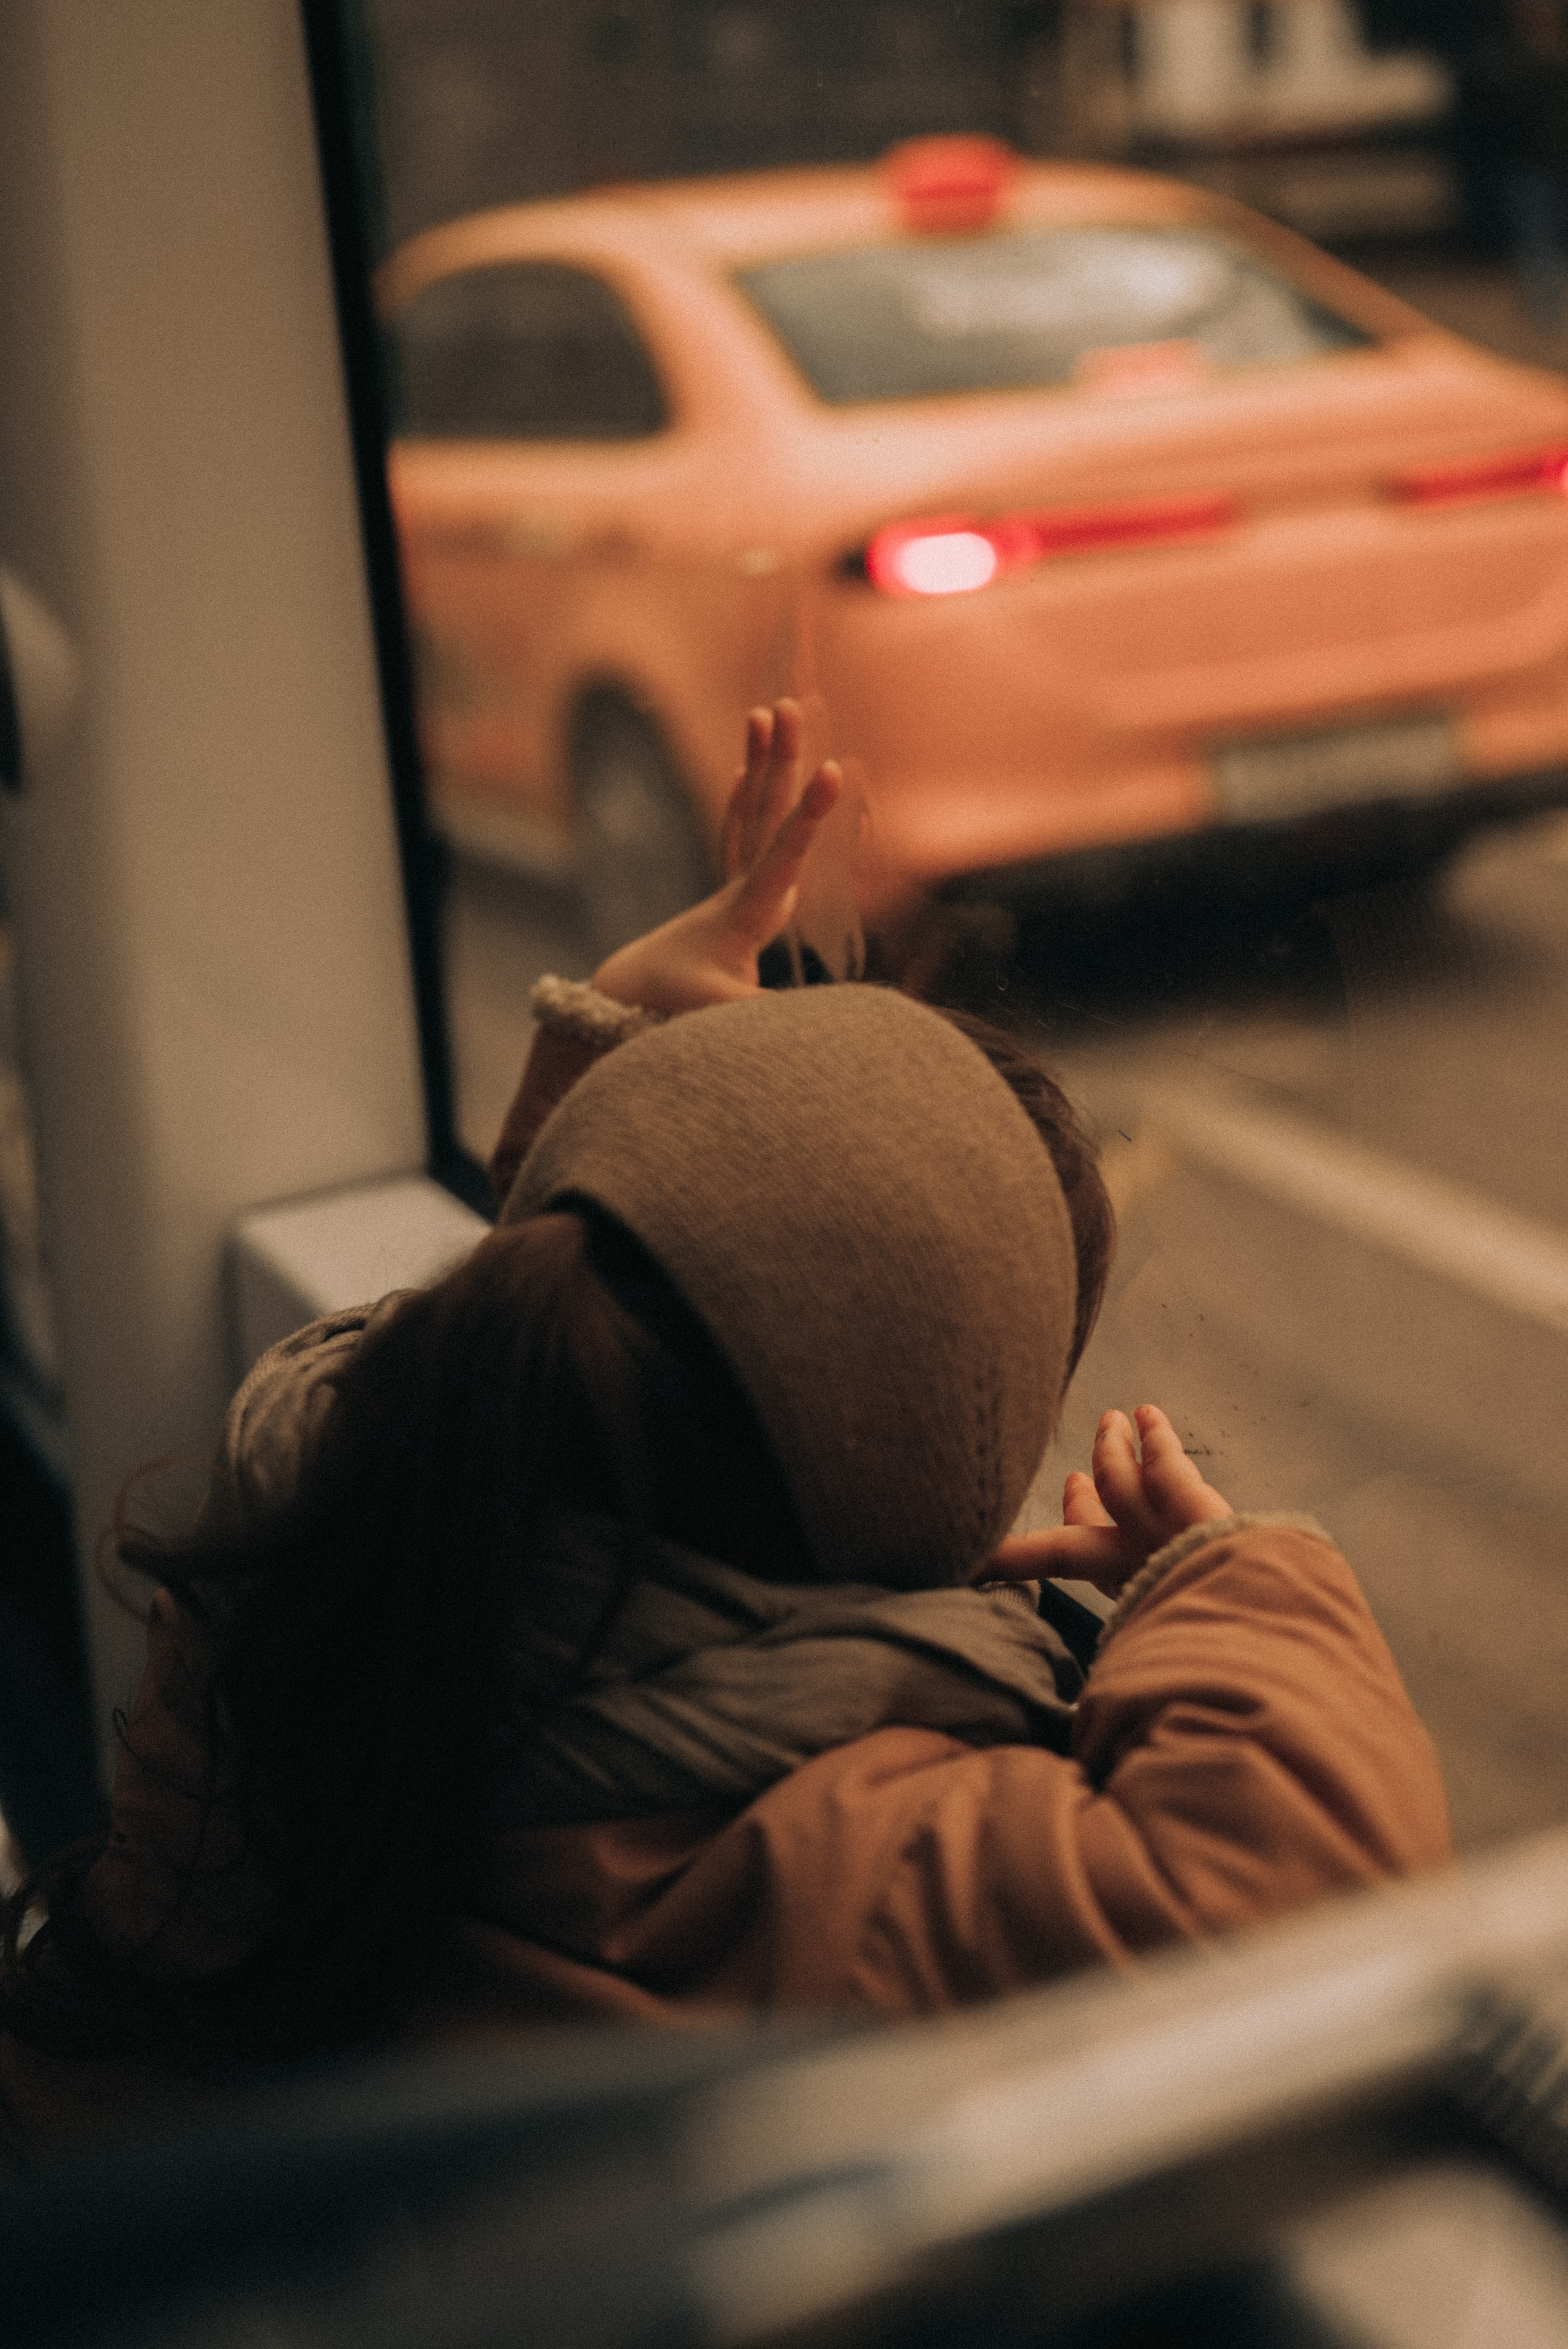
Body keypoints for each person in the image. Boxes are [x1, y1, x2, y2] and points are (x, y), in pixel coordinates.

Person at [0, 704, 1451, 2152]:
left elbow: (540, 1348)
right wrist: (1220, 1577)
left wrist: (619, 1080)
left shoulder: (296, 1576)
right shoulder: (846, 1863)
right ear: (922, 1508)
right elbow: (1313, 1895)